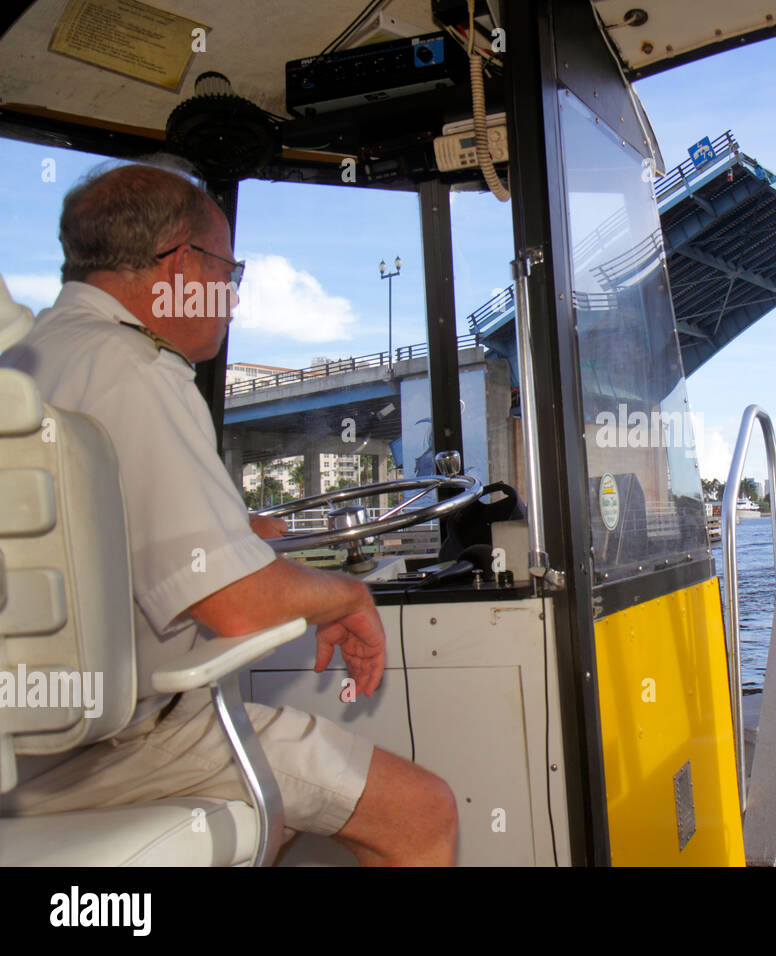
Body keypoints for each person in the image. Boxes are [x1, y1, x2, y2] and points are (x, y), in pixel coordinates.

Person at [0, 162, 456, 866]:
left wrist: (234, 530)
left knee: (287, 821)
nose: (231, 299)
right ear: (183, 264)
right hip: (123, 746)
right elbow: (238, 607)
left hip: (26, 747)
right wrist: (344, 592)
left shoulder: (32, 360)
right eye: (228, 273)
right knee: (422, 813)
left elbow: (88, 533)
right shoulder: (137, 372)